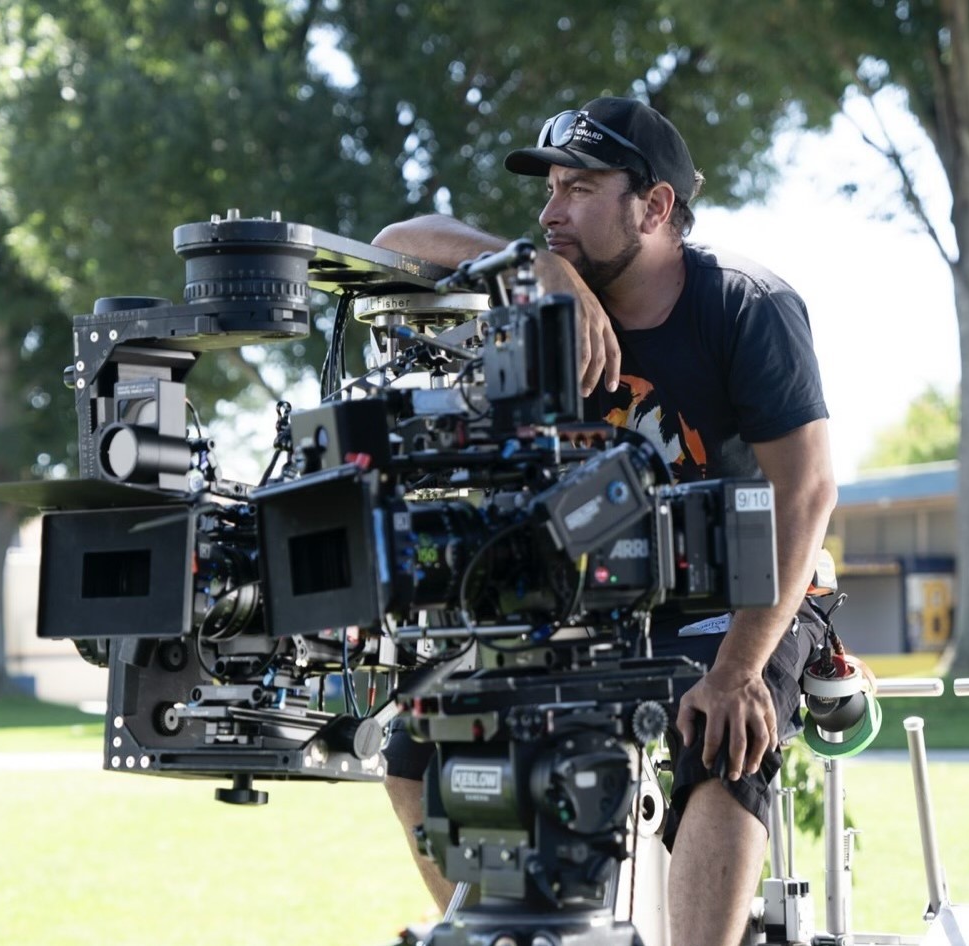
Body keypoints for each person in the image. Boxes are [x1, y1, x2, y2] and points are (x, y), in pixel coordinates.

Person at [373, 96, 837, 946]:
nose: (552, 213)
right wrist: (528, 265)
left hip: (738, 598)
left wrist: (737, 671)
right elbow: (396, 242)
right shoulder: (540, 292)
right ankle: (504, 936)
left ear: (654, 207)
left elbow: (805, 496)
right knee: (416, 743)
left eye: (579, 189)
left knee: (721, 738)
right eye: (548, 190)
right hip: (588, 604)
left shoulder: (747, 306)